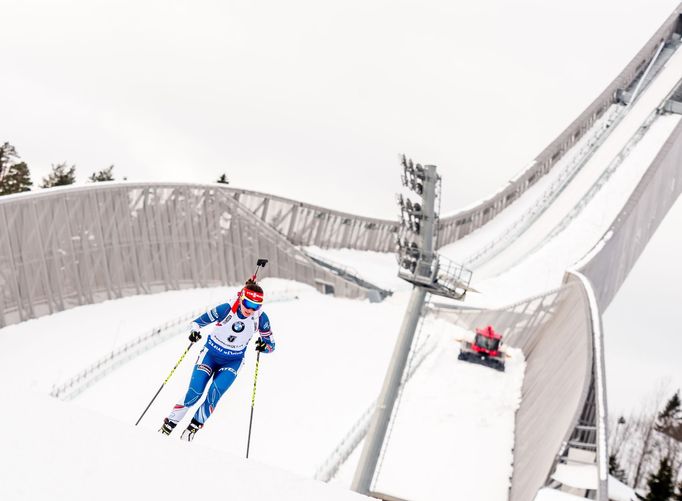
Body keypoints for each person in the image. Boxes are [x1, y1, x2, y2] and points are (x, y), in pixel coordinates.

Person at [159, 279, 275, 441]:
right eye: (248, 304)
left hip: (233, 361)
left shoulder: (260, 319)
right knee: (195, 393)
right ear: (241, 298)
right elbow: (197, 323)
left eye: (256, 306)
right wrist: (194, 332)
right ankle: (168, 426)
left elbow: (271, 345)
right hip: (210, 356)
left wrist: (264, 346)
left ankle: (191, 431)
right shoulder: (226, 309)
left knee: (215, 393)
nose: (250, 309)